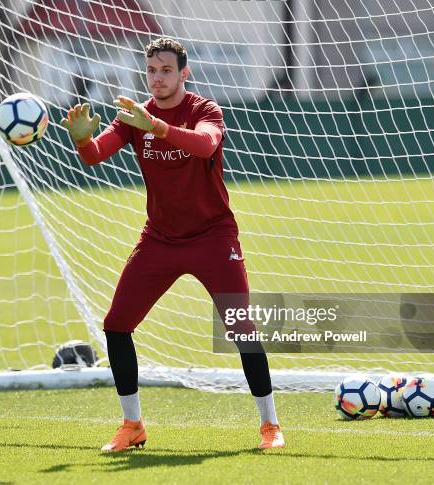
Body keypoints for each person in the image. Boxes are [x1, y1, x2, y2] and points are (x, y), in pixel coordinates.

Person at [60, 37, 284, 452]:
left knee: (241, 328)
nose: (157, 78)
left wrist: (160, 128)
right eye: (151, 70)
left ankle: (269, 426)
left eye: (165, 70)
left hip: (214, 238)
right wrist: (81, 140)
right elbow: (96, 154)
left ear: (185, 73)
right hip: (160, 240)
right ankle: (132, 425)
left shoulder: (204, 111)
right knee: (116, 325)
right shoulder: (134, 116)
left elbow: (205, 144)